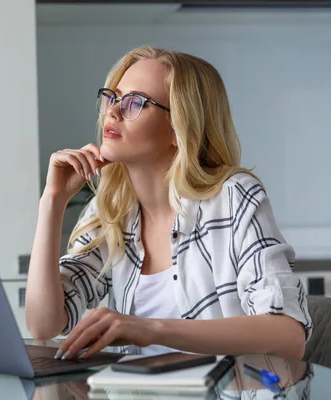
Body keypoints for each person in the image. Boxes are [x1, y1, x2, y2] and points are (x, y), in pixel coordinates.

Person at [25, 46, 312, 361]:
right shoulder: (111, 211)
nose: (113, 111)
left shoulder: (234, 198)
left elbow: (288, 335)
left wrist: (151, 329)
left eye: (135, 102)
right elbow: (44, 325)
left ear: (179, 128)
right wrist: (52, 201)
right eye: (112, 97)